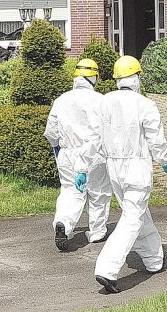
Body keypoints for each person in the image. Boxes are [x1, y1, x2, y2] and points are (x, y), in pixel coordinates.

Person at [88, 55, 167, 294]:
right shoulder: (145, 104)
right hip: (137, 169)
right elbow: (156, 140)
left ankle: (153, 260)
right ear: (137, 77)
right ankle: (107, 268)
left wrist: (83, 169)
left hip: (114, 170)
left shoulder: (104, 102)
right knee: (131, 218)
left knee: (139, 214)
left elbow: (94, 140)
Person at [44, 58, 111, 251]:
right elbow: (104, 130)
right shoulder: (100, 100)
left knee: (70, 191)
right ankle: (97, 231)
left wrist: (58, 149)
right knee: (98, 192)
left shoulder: (61, 100)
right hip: (94, 153)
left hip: (67, 153)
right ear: (95, 77)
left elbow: (51, 132)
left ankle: (63, 222)